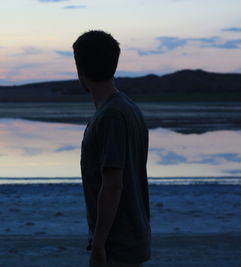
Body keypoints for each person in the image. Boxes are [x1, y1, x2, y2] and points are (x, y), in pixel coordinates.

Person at [73, 30, 151, 267]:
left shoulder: (111, 117)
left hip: (117, 246)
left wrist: (98, 246)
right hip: (125, 241)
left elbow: (112, 185)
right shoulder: (126, 108)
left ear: (80, 69)